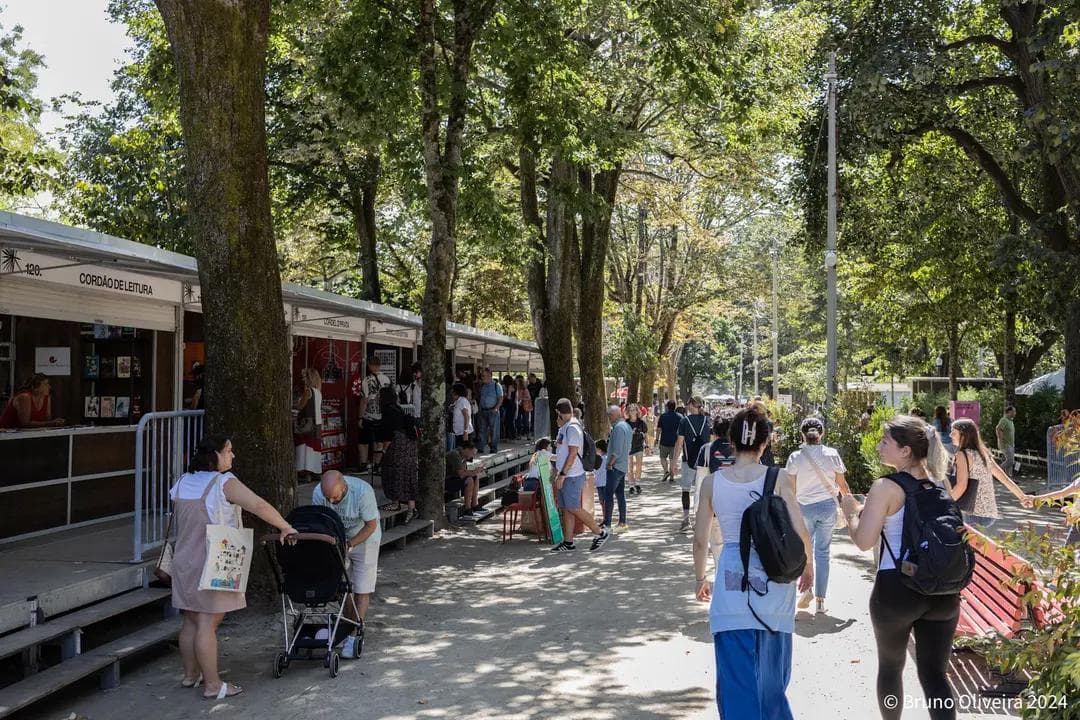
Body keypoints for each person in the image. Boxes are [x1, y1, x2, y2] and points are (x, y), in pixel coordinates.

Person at [692, 405, 812, 719]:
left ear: (730, 441)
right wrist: (809, 566)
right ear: (765, 441)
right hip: (775, 588)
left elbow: (700, 538)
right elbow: (800, 529)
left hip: (731, 589)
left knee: (735, 686)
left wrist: (700, 578)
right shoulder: (780, 478)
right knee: (773, 686)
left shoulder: (712, 483)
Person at [839, 415, 959, 720]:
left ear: (905, 450)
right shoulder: (940, 481)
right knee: (935, 674)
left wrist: (851, 513)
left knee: (891, 669)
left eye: (885, 442)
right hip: (943, 591)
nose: (879, 447)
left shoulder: (886, 487)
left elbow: (865, 541)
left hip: (897, 588)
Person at [170, 436, 297, 699]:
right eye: (228, 450)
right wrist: (285, 525)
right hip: (213, 559)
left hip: (184, 558)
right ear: (215, 455)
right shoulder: (223, 483)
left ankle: (190, 675)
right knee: (208, 622)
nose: (233, 455)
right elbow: (258, 505)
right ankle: (213, 685)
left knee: (190, 619)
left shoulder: (182, 481)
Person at [784, 417, 851, 615]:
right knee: (823, 553)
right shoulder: (832, 454)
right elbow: (842, 485)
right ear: (821, 434)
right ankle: (821, 601)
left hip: (803, 507)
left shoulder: (795, 457)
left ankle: (806, 590)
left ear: (802, 435)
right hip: (827, 508)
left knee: (805, 551)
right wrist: (850, 508)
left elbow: (790, 488)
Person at [312, 470, 381, 658]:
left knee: (361, 588)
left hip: (365, 537)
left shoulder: (363, 492)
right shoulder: (319, 493)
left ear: (345, 487)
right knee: (343, 587)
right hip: (337, 539)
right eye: (329, 498)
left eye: (335, 498)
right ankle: (345, 626)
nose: (332, 502)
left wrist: (350, 544)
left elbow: (371, 525)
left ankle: (355, 634)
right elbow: (321, 520)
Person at [550, 398, 609, 553]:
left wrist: (562, 474)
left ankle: (600, 532)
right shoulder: (566, 427)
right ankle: (568, 542)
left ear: (559, 413)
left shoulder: (573, 428)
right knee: (566, 508)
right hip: (567, 474)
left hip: (572, 474)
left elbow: (573, 453)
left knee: (573, 507)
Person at [948, 418, 1027, 529]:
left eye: (954, 432)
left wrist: (944, 504)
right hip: (989, 513)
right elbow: (1004, 479)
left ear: (964, 435)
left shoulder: (962, 455)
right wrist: (1023, 497)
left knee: (965, 544)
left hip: (970, 512)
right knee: (980, 545)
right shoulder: (983, 454)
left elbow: (961, 485)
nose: (950, 435)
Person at [379, 386, 419, 523]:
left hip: (397, 445)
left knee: (392, 472)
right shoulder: (398, 409)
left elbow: (388, 435)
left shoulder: (387, 411)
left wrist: (383, 451)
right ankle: (411, 507)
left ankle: (395, 502)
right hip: (409, 444)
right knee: (408, 474)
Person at [672, 397, 710, 532]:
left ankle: (686, 518)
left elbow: (679, 443)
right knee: (701, 492)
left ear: (693, 405)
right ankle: (698, 520)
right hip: (705, 463)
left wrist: (674, 462)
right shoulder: (707, 421)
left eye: (688, 403)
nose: (686, 406)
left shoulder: (684, 421)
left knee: (686, 490)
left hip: (688, 461)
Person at [355, 356, 392, 472]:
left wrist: (360, 417)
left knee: (363, 441)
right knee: (379, 441)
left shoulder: (367, 380)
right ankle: (377, 464)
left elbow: (364, 400)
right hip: (383, 416)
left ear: (370, 366)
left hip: (369, 416)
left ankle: (363, 464)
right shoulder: (387, 379)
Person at [0, 373, 64, 428]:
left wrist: (55, 423)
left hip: (27, 434)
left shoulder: (46, 397)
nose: (49, 387)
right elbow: (25, 423)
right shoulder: (25, 397)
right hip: (6, 433)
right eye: (45, 384)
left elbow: (47, 420)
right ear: (35, 387)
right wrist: (51, 423)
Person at [293, 367, 322, 482]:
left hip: (306, 423)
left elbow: (300, 406)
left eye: (304, 377)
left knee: (303, 447)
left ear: (309, 378)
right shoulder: (318, 392)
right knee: (313, 448)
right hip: (317, 424)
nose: (303, 379)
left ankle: (304, 473)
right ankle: (314, 471)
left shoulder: (308, 391)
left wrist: (294, 404)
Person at [605, 405, 631, 532]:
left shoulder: (619, 428)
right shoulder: (626, 426)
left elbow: (617, 450)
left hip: (616, 466)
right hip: (622, 465)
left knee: (608, 494)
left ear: (613, 415)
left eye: (609, 415)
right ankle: (622, 522)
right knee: (620, 494)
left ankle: (607, 524)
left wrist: (610, 463)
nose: (608, 418)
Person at [446, 440, 485, 518]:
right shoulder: (455, 455)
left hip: (455, 478)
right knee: (469, 480)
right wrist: (474, 471)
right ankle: (467, 508)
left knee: (475, 477)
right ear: (467, 449)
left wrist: (475, 471)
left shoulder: (464, 457)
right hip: (447, 480)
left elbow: (464, 471)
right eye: (472, 453)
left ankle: (475, 504)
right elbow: (461, 474)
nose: (472, 456)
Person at [476, 368, 503, 453]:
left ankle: (493, 448)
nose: (482, 377)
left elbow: (500, 398)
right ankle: (481, 447)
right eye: (482, 376)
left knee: (494, 430)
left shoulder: (496, 385)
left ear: (489, 375)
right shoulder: (482, 386)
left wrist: (496, 408)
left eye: (483, 376)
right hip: (483, 410)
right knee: (482, 429)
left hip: (493, 411)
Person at [654, 400, 682, 483]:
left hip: (664, 441)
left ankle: (666, 471)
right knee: (672, 459)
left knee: (663, 458)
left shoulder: (663, 416)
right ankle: (672, 477)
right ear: (675, 406)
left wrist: (657, 439)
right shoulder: (680, 417)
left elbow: (659, 429)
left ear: (667, 407)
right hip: (675, 442)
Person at [626, 403, 648, 495]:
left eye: (634, 410)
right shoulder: (626, 423)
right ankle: (631, 485)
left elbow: (645, 435)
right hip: (629, 447)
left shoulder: (641, 422)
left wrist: (647, 445)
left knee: (639, 465)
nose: (633, 412)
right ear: (628, 412)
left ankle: (637, 483)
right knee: (630, 467)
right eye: (631, 410)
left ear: (637, 411)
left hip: (639, 446)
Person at [996, 405, 1017, 477]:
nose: (1015, 413)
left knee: (1009, 462)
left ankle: (1008, 477)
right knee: (1010, 461)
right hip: (1005, 444)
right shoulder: (1004, 420)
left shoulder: (1010, 421)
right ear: (1010, 412)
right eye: (1014, 411)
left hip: (1010, 444)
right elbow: (998, 429)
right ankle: (996, 472)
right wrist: (1001, 440)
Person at [593, 439, 608, 523]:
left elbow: (595, 471)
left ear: (599, 449)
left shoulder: (599, 459)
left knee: (603, 502)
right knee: (605, 502)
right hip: (606, 483)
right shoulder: (608, 458)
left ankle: (606, 519)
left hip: (601, 483)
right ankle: (606, 518)